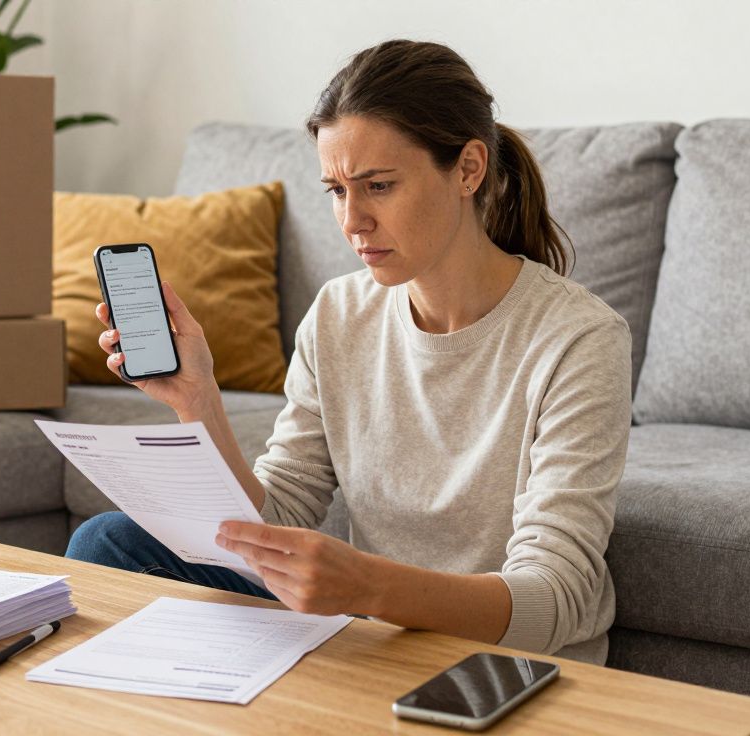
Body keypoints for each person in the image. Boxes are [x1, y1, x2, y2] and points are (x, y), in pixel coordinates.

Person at [65, 39, 631, 665]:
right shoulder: (338, 313)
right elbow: (280, 516)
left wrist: (367, 586)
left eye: (379, 186)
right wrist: (199, 400)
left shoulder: (577, 337)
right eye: (336, 190)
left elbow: (556, 598)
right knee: (107, 542)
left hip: (502, 662)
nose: (352, 220)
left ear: (469, 168)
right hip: (374, 635)